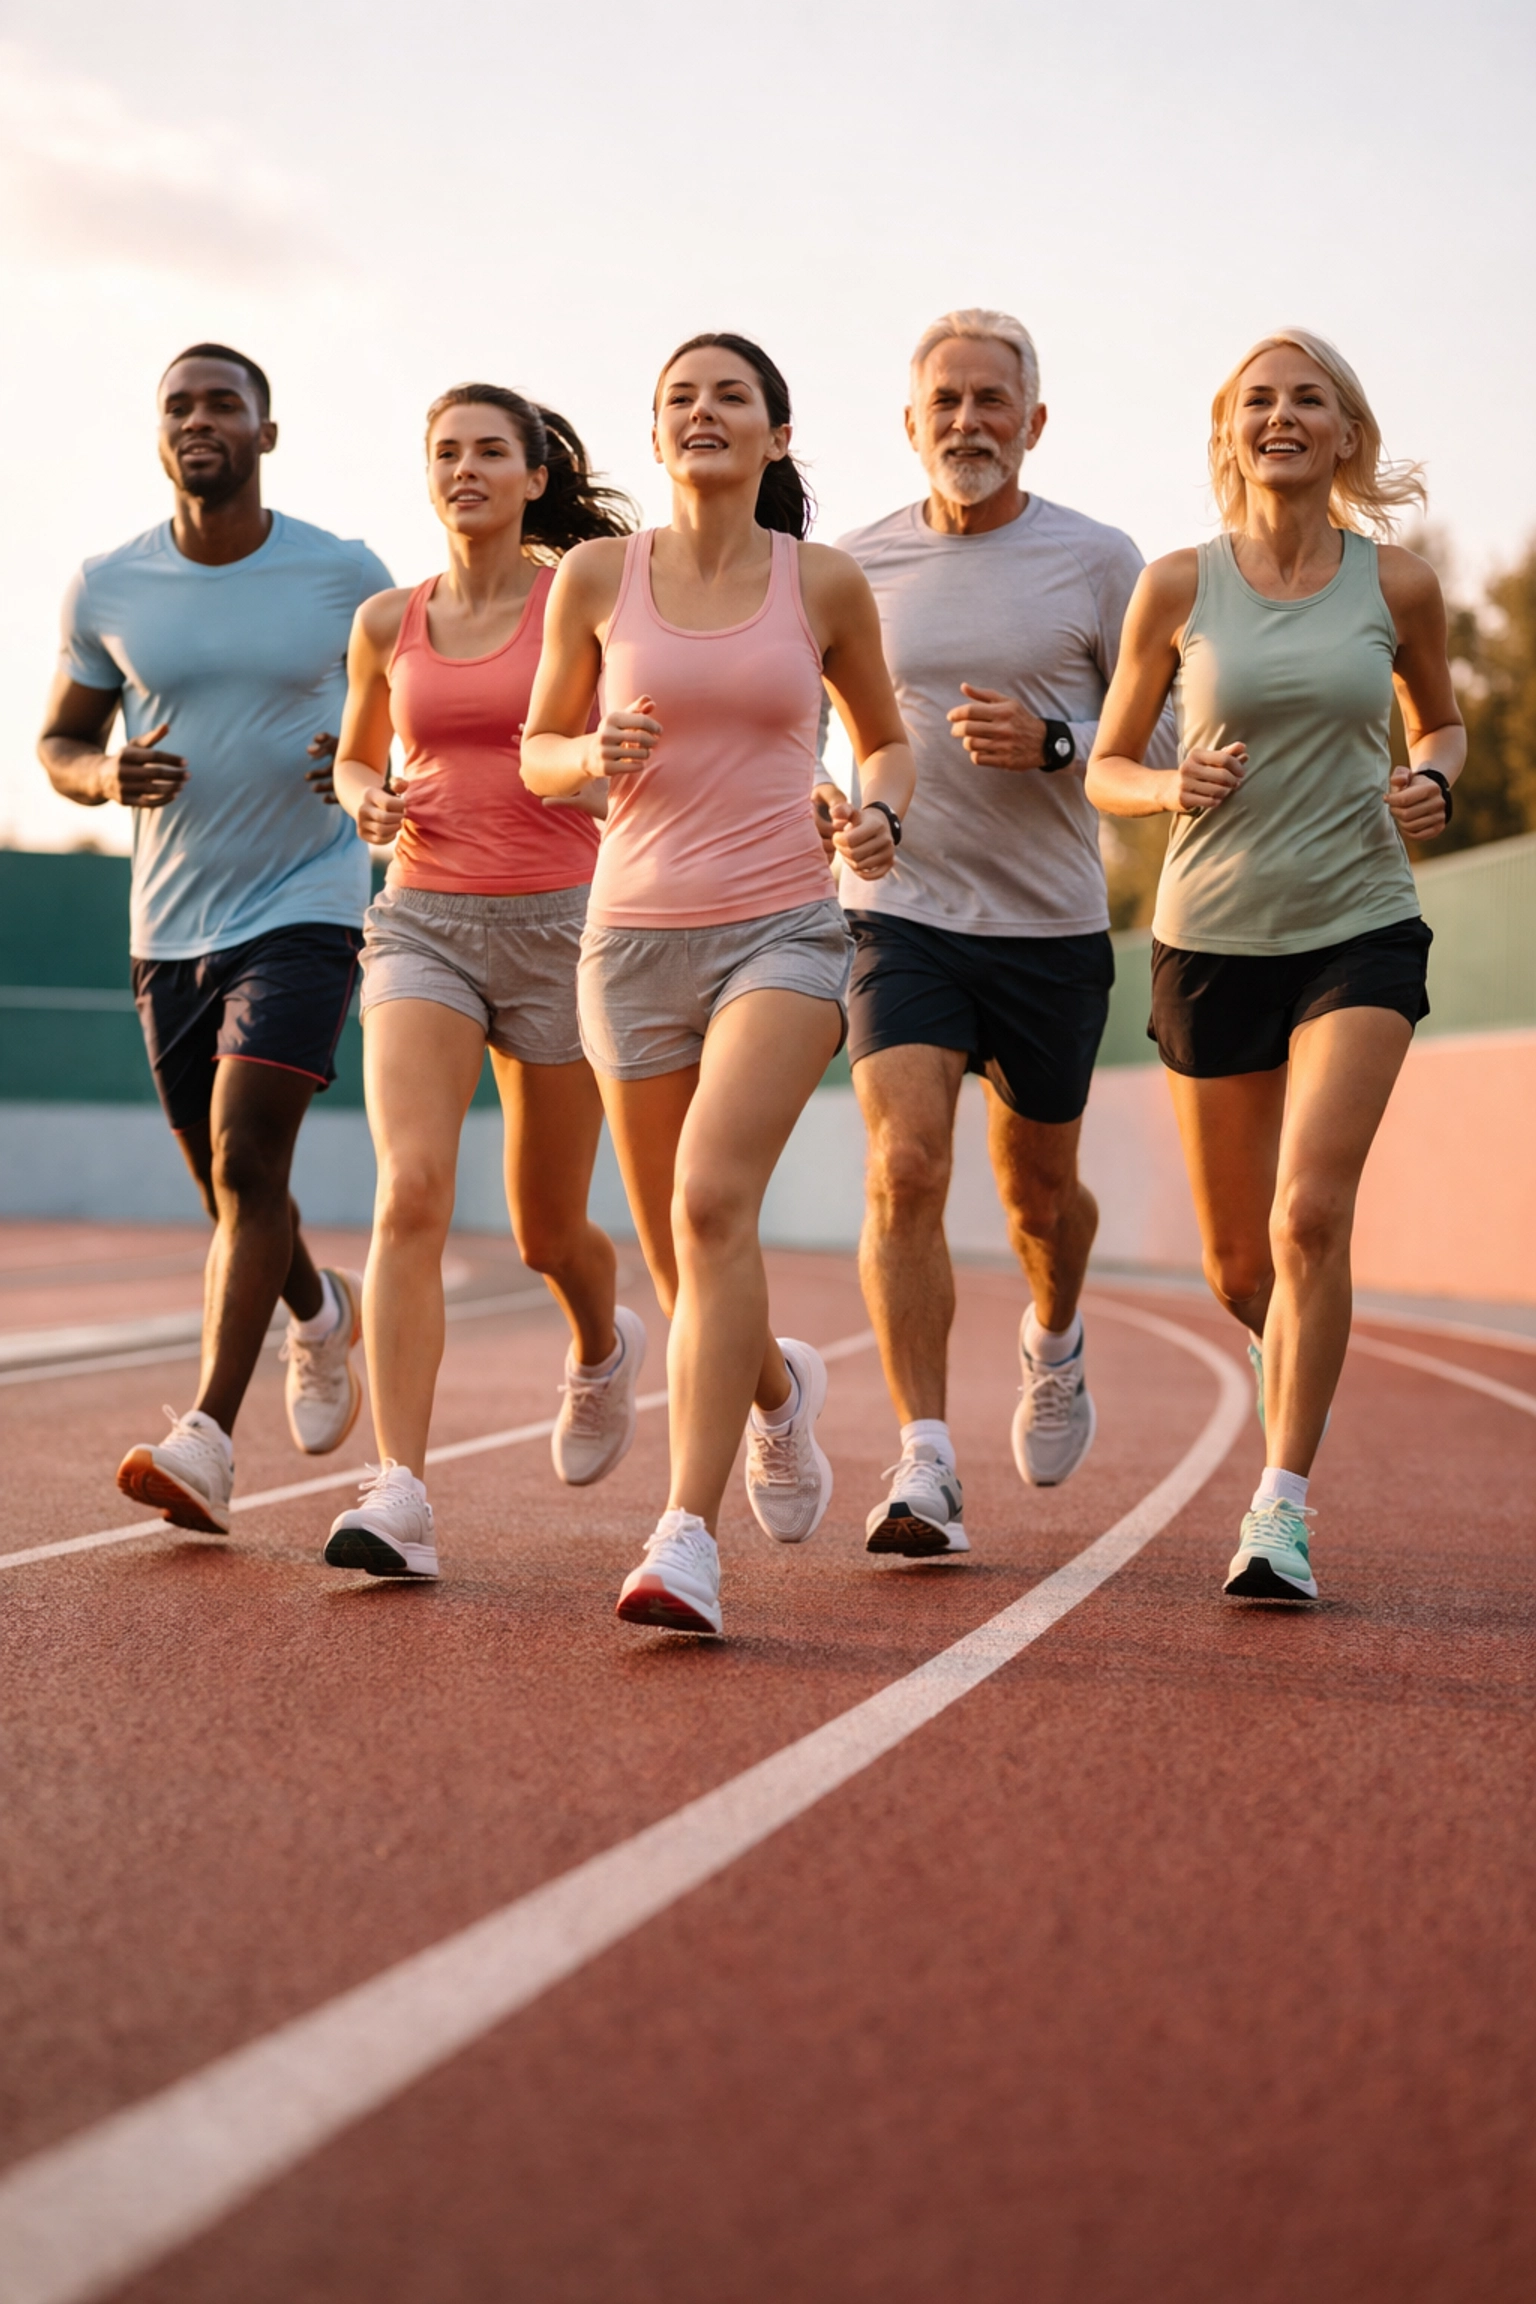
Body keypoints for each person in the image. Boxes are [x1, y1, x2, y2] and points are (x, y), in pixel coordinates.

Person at [522, 331, 915, 1637]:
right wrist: (589, 754)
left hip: (784, 934)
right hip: (629, 944)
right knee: (692, 1266)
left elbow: (891, 747)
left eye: (730, 396)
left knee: (709, 1198)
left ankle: (685, 1536)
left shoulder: (829, 584)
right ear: (656, 435)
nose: (705, 412)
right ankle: (777, 1392)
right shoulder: (592, 577)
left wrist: (876, 818)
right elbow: (535, 757)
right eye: (680, 397)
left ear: (777, 434)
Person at [1087, 327, 1463, 1602]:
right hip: (1210, 940)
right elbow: (1106, 763)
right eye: (1260, 401)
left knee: (1311, 1214)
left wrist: (1432, 784)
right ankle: (1287, 1348)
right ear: (1228, 431)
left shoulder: (1396, 585)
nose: (1283, 417)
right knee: (1242, 1268)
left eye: (1310, 400)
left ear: (1347, 434)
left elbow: (1446, 724)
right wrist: (1161, 785)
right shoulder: (1176, 585)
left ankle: (1279, 1508)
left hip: (1359, 924)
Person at [831, 308, 1175, 1558]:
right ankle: (923, 1460)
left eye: (992, 402)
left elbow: (1172, 748)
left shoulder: (1098, 561)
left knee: (1038, 1198)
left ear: (1034, 423)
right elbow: (818, 735)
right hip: (900, 912)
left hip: (1050, 925)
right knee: (906, 1168)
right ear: (910, 424)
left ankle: (1055, 1332)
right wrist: (840, 811)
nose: (968, 424)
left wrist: (1060, 744)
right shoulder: (850, 566)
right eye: (946, 403)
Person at [38, 345, 392, 1535]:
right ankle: (320, 1311)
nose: (200, 420)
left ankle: (206, 1439)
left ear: (265, 433)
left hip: (307, 901)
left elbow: (409, 700)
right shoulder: (107, 585)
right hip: (168, 922)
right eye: (179, 406)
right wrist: (100, 776)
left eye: (223, 404)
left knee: (248, 1161)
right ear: (159, 436)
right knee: (228, 1188)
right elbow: (60, 739)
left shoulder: (342, 572)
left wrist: (359, 753)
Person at [322, 385, 641, 1579]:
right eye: (445, 452)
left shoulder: (587, 601)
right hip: (423, 926)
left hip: (564, 925)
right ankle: (400, 1489)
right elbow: (359, 756)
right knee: (409, 1191)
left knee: (548, 1230)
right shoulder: (384, 623)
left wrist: (612, 775)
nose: (464, 469)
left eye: (488, 452)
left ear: (534, 475)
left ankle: (603, 1347)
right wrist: (366, 800)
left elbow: (626, 745)